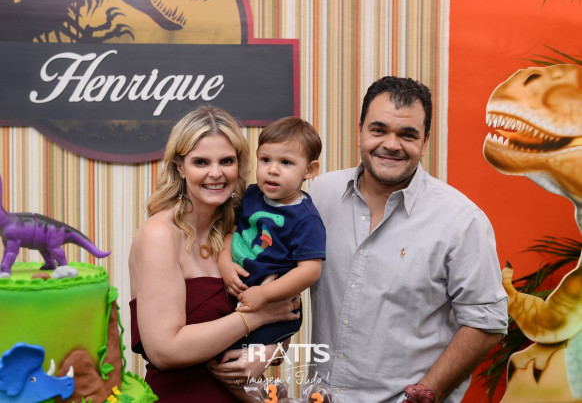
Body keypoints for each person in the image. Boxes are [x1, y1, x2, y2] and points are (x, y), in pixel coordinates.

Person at [308, 76, 508, 403]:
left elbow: (487, 322)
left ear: (425, 141)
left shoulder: (461, 221)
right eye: (378, 130)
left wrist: (427, 392)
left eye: (407, 134)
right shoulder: (319, 196)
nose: (391, 144)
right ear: (360, 131)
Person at [128, 105, 300, 403]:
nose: (216, 173)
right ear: (180, 167)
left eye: (226, 161)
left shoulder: (247, 227)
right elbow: (165, 350)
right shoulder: (160, 234)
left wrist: (270, 351)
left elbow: (287, 309)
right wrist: (255, 317)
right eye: (201, 162)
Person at [218, 116, 325, 349]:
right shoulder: (252, 194)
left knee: (238, 360)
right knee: (215, 347)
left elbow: (310, 271)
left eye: (286, 162)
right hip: (238, 292)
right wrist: (224, 262)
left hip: (275, 306)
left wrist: (265, 294)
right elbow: (231, 231)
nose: (272, 170)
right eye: (265, 160)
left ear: (309, 170)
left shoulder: (306, 219)